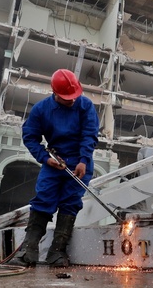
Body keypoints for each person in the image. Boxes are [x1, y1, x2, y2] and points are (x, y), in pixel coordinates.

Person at [7, 69, 99, 267]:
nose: (72, 101)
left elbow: (89, 135)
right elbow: (30, 136)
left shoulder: (85, 105)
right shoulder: (41, 110)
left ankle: (57, 252)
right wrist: (44, 158)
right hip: (54, 161)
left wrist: (84, 159)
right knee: (43, 199)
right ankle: (28, 251)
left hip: (80, 162)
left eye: (75, 96)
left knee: (70, 202)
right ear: (55, 93)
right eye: (68, 98)